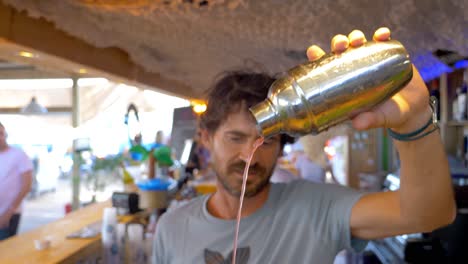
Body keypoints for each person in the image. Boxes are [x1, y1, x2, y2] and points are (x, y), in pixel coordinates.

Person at [153, 28, 455, 263]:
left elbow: (429, 214)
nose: (249, 156)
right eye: (235, 138)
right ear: (205, 137)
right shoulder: (172, 228)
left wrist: (414, 122)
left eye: (266, 140)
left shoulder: (314, 208)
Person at [0, 122, 33, 240]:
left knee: (5, 252)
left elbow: (27, 185)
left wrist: (9, 212)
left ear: (5, 135)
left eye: (1, 134)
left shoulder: (19, 155)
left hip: (9, 214)